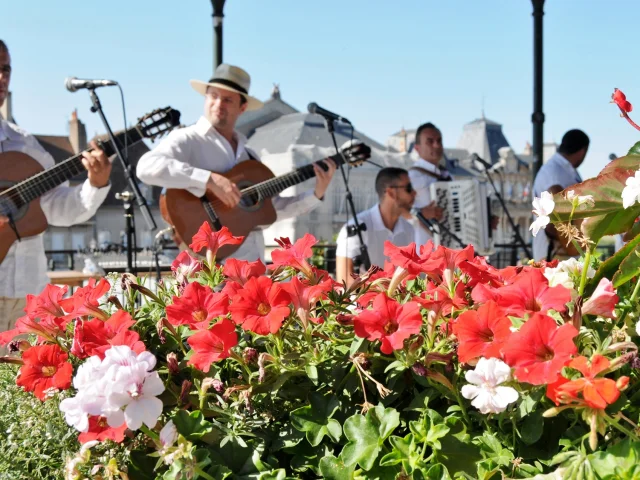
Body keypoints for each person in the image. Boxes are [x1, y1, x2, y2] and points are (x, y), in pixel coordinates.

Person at [136, 64, 337, 262]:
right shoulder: (188, 138)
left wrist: (316, 194)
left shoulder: (249, 155)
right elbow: (146, 167)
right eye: (213, 96)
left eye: (227, 99)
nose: (218, 104)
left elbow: (272, 208)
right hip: (209, 267)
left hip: (251, 265)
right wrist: (208, 179)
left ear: (242, 108)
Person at [0, 40, 112, 334]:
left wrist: (95, 184)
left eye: (6, 69)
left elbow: (59, 208)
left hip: (27, 295)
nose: (1, 77)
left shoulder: (26, 146)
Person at [335, 167, 416, 286]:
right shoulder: (356, 226)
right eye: (409, 188)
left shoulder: (409, 229)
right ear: (391, 193)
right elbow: (344, 279)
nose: (414, 193)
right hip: (362, 302)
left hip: (397, 301)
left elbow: (409, 276)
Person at [532, 129, 589, 261]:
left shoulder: (561, 169)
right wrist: (574, 243)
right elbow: (557, 205)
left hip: (565, 252)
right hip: (554, 252)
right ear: (582, 151)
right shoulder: (554, 169)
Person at [407, 123, 450, 248]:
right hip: (424, 251)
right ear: (417, 148)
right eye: (430, 141)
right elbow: (396, 213)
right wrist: (421, 214)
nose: (436, 145)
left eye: (439, 141)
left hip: (449, 252)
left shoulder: (448, 176)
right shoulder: (411, 177)